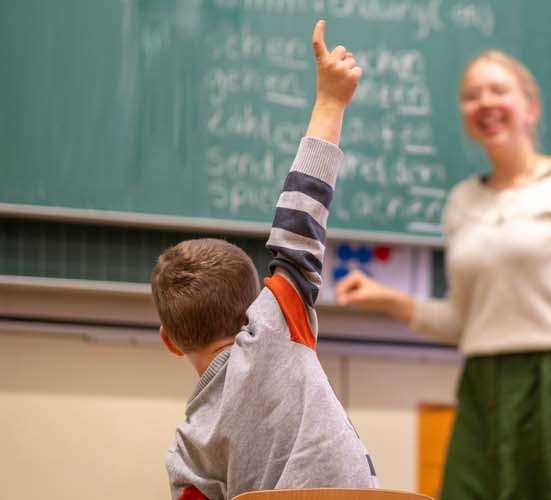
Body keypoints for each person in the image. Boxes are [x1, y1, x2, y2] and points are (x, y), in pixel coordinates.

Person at [334, 50, 551, 500]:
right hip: (484, 389)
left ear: (531, 106)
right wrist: (388, 300)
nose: (485, 103)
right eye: (471, 96)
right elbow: (465, 322)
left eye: (499, 90)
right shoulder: (461, 201)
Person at [152, 20, 376, 500]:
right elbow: (302, 210)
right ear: (257, 303)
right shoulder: (277, 326)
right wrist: (329, 102)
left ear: (170, 341)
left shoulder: (189, 446)